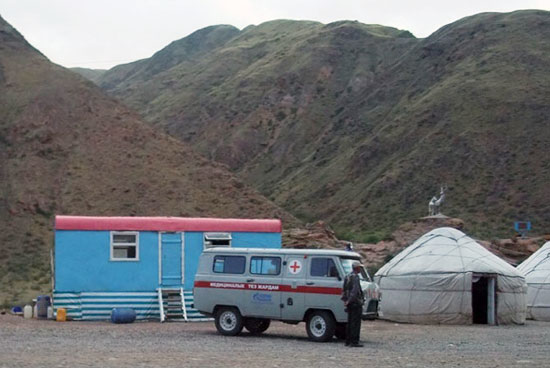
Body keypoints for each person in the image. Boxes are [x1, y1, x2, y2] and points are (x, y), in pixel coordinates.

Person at [341, 261, 365, 347]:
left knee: (349, 322)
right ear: (357, 268)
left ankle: (348, 341)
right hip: (355, 302)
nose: (360, 269)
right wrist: (351, 300)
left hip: (349, 302)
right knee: (355, 323)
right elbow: (355, 291)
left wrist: (345, 300)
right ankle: (354, 341)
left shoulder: (347, 276)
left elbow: (344, 289)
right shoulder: (355, 277)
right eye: (359, 267)